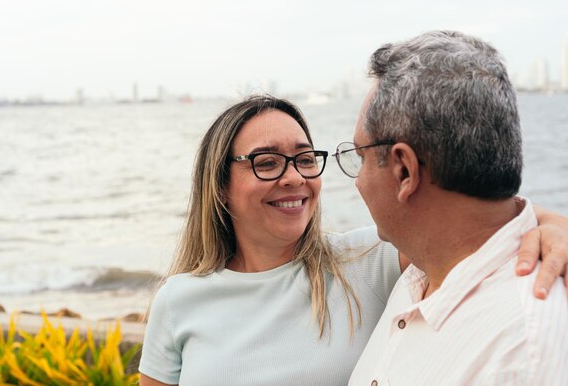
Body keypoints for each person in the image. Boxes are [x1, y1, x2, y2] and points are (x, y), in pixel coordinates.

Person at [139, 94, 568, 386]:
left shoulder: (367, 261)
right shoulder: (178, 300)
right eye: (267, 162)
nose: (294, 178)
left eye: (306, 159)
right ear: (219, 186)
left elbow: (474, 222)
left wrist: (552, 225)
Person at [346, 31, 567, 386]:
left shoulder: (525, 352)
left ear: (404, 170)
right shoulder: (423, 272)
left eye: (360, 157)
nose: (357, 182)